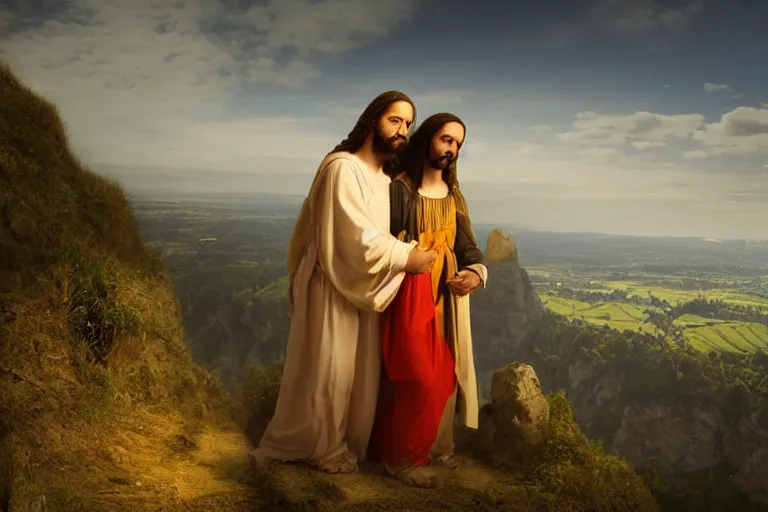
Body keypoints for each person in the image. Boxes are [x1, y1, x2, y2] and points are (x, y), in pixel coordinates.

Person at [250, 91, 437, 474]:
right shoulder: (342, 168)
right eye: (394, 120)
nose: (402, 130)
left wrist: (405, 251)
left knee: (356, 373)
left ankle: (344, 441)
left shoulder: (383, 180)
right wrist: (406, 257)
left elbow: (372, 238)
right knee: (328, 366)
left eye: (408, 124)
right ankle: (317, 445)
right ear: (372, 121)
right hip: (329, 283)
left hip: (361, 284)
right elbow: (355, 236)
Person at [369, 113, 487, 487]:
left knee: (445, 378)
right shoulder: (399, 188)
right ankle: (400, 459)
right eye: (446, 140)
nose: (452, 149)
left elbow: (467, 247)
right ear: (427, 139)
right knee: (412, 377)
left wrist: (475, 272)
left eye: (458, 144)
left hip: (445, 304)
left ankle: (435, 447)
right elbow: (383, 242)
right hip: (407, 298)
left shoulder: (454, 197)